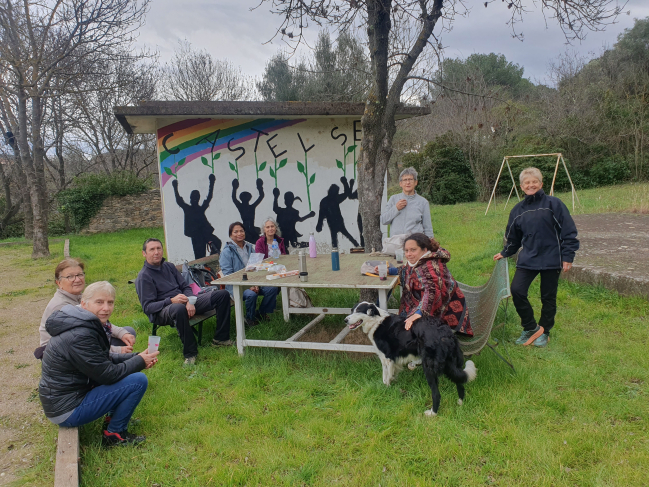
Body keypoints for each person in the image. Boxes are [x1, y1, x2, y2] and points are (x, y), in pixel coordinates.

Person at [39, 282, 159, 447]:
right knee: (138, 380)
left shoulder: (81, 323)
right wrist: (138, 362)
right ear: (84, 304)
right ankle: (114, 434)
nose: (106, 308)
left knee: (131, 372)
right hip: (67, 409)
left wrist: (136, 357)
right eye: (99, 302)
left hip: (67, 398)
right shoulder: (80, 334)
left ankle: (113, 418)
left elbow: (101, 359)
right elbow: (108, 375)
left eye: (110, 302)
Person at [494, 167, 579, 347]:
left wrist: (568, 256)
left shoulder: (554, 204)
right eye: (527, 182)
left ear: (541, 184)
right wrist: (505, 252)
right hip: (528, 259)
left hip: (551, 258)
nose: (531, 185)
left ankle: (545, 331)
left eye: (534, 182)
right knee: (517, 290)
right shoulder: (517, 210)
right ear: (521, 186)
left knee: (548, 297)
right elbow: (513, 237)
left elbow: (569, 231)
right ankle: (531, 327)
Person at [135, 238, 232, 367]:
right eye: (152, 249)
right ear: (144, 253)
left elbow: (185, 286)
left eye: (159, 248)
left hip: (184, 301)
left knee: (222, 295)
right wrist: (171, 301)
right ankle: (190, 353)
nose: (156, 252)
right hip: (163, 310)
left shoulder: (168, 266)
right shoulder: (144, 277)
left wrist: (190, 301)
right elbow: (148, 307)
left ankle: (221, 338)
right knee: (178, 309)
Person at [35, 258, 135, 359]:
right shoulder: (61, 307)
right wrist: (118, 350)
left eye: (80, 275)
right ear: (59, 283)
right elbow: (81, 341)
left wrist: (121, 333)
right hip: (61, 354)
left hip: (80, 341)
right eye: (70, 276)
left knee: (127, 331)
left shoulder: (78, 297)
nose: (77, 279)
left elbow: (98, 322)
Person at [380, 233, 473, 337]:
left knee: (401, 334)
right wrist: (389, 270)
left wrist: (418, 313)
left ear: (424, 249)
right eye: (406, 250)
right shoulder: (420, 261)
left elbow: (433, 292)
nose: (408, 254)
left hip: (446, 316)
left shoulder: (430, 266)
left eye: (413, 250)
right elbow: (406, 270)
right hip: (430, 308)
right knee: (398, 329)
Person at [220, 222, 279, 327]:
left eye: (241, 231)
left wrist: (255, 283)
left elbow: (255, 267)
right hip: (236, 286)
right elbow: (229, 275)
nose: (239, 233)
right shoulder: (226, 252)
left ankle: (261, 314)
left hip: (252, 281)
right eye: (236, 232)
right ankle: (249, 319)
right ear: (230, 235)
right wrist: (248, 285)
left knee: (272, 288)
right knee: (251, 295)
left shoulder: (249, 247)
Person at [172, 174, 222, 259]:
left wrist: (212, 182)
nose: (195, 199)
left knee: (217, 242)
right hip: (196, 235)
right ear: (191, 198)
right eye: (193, 197)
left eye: (196, 197)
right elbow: (179, 201)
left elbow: (209, 197)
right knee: (200, 256)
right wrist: (175, 187)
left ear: (198, 198)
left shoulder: (200, 208)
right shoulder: (188, 208)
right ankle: (202, 268)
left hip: (205, 233)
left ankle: (212, 259)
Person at [381, 167, 434, 239]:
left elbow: (428, 228)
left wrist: (430, 245)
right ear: (400, 183)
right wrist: (396, 208)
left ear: (416, 182)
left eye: (410, 179)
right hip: (396, 244)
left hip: (415, 244)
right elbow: (384, 220)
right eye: (405, 180)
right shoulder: (393, 199)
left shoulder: (423, 202)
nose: (408, 182)